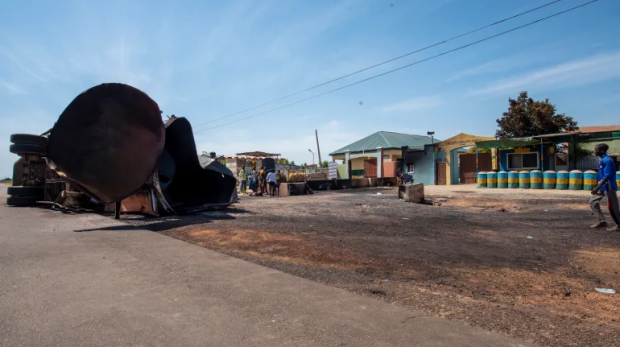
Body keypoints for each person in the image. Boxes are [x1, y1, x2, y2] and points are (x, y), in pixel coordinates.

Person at [590, 143, 619, 232]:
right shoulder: (602, 160)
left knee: (612, 207)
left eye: (596, 149)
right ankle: (602, 221)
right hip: (602, 187)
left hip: (609, 187)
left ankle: (619, 225)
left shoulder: (607, 160)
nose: (595, 151)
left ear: (602, 151)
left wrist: (597, 188)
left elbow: (607, 176)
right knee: (593, 202)